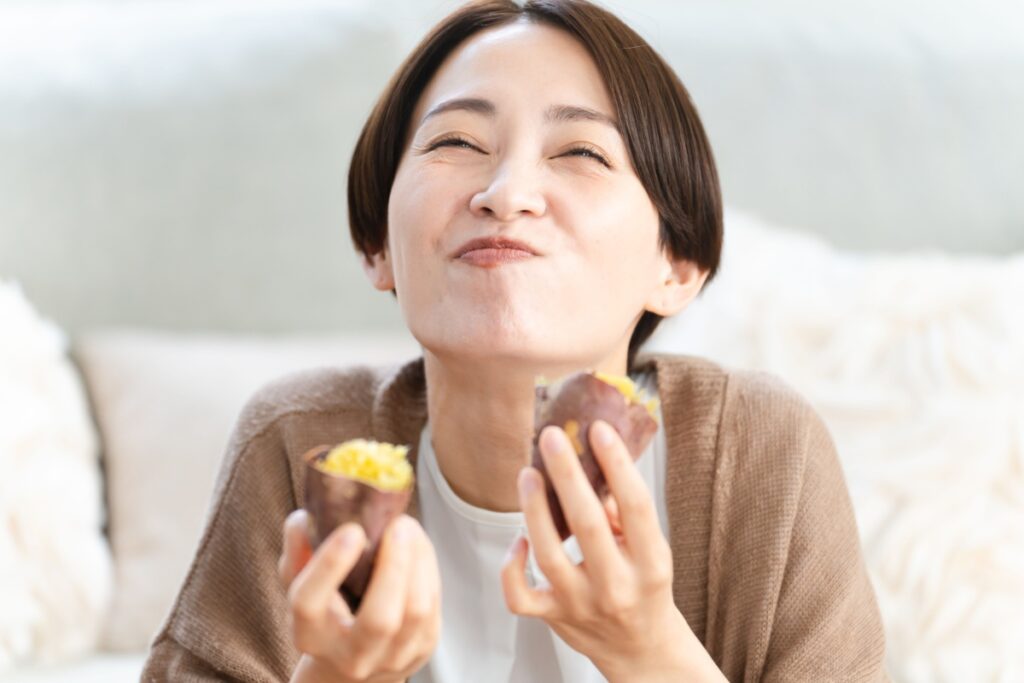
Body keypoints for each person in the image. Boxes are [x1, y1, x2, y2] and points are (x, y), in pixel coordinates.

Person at [141, 1, 889, 681]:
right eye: (457, 141)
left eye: (581, 153)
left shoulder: (762, 454)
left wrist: (648, 649)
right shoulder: (302, 442)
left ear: (677, 265)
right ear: (376, 246)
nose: (505, 192)